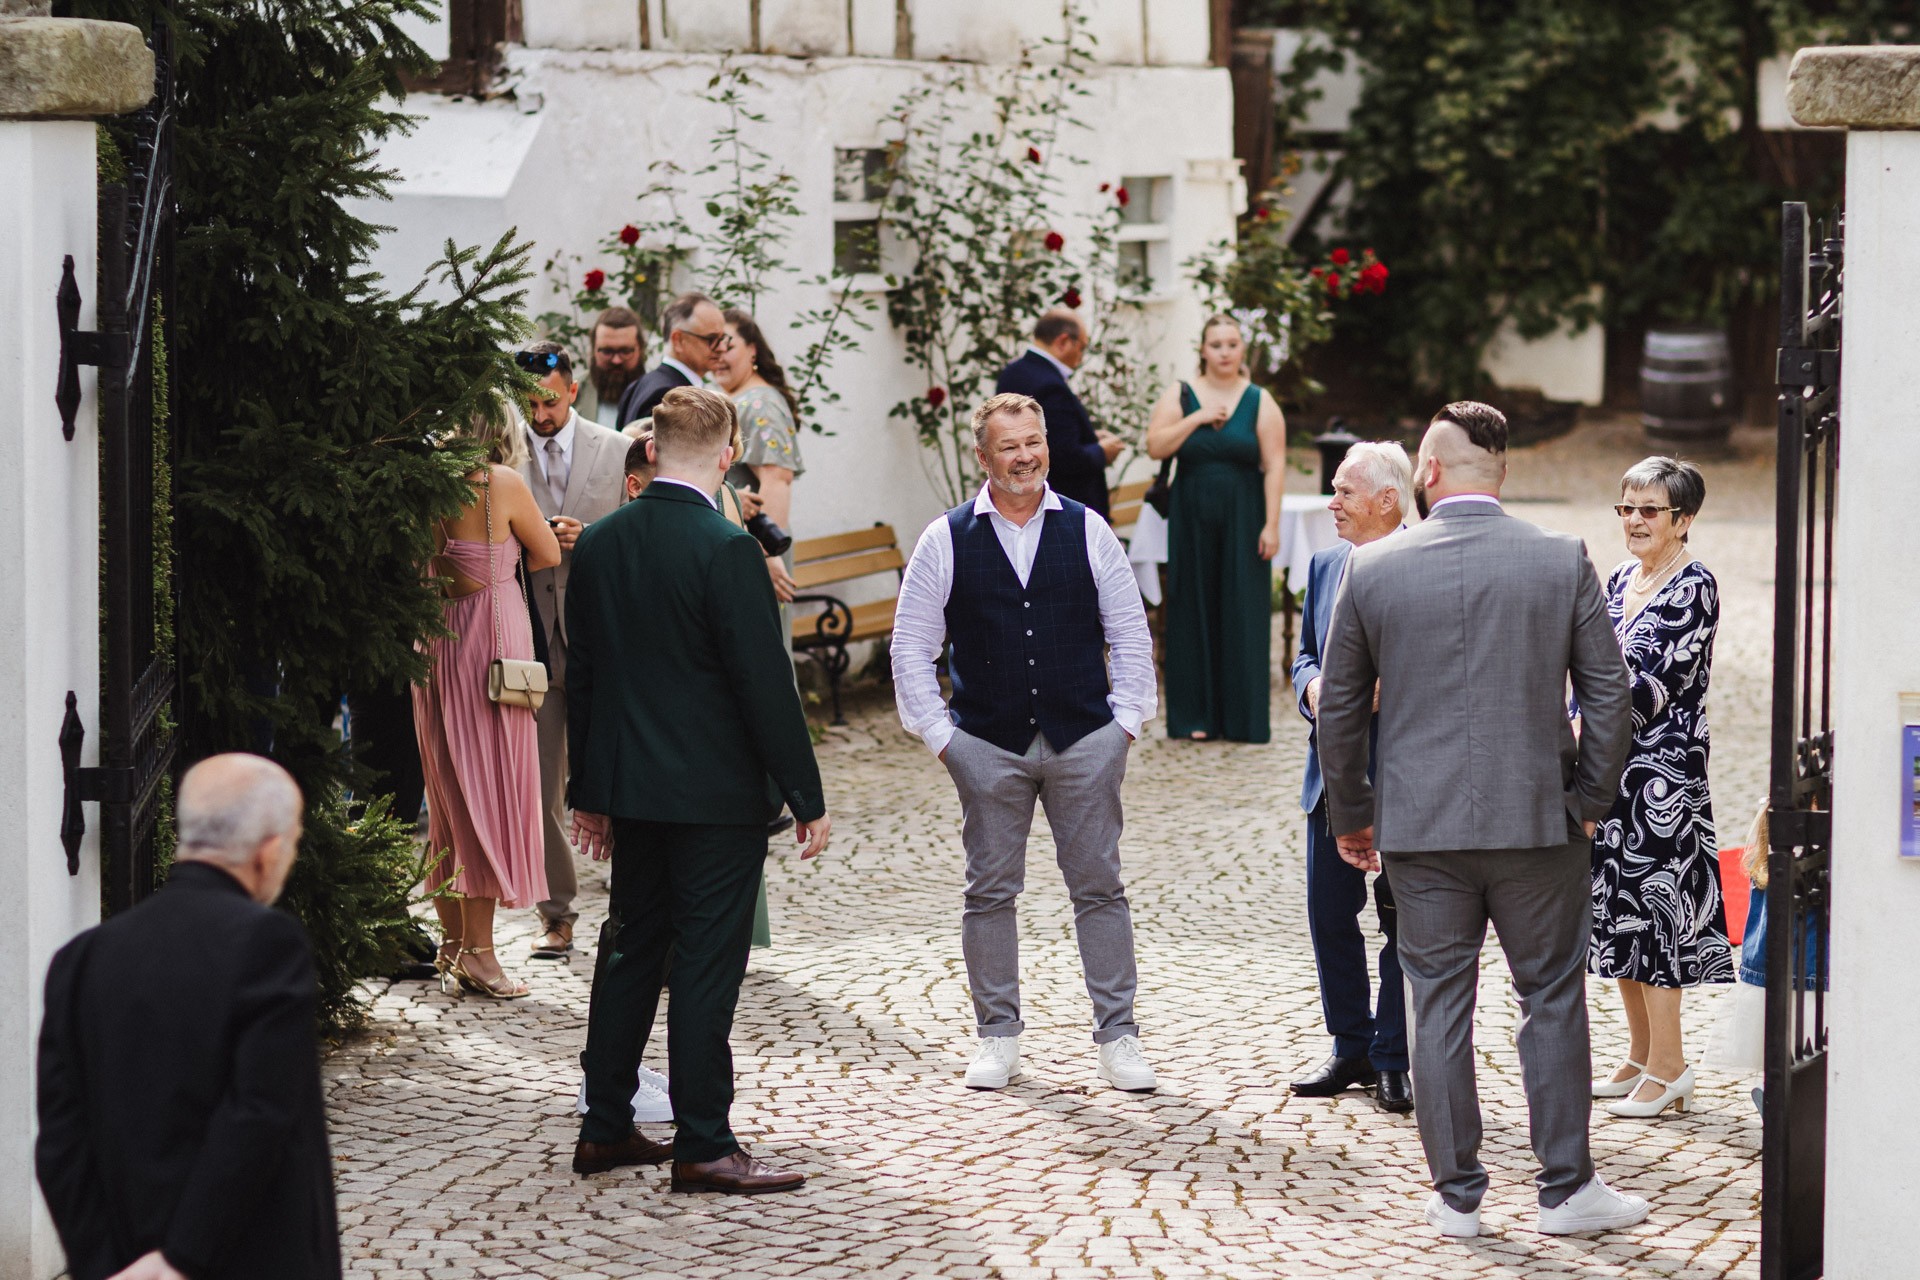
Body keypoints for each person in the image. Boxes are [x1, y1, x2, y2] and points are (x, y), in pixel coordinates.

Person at [1316, 401, 1646, 1239]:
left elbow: (1341, 709)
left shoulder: (1374, 568)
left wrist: (1354, 816)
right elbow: (1610, 696)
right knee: (1552, 998)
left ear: (1426, 473)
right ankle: (1567, 1190)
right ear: (1502, 473)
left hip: (1422, 832)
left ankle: (1456, 1195)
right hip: (1541, 824)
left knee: (1438, 1004)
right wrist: (1590, 804)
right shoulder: (1559, 558)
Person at [566, 386, 832, 1192]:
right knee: (709, 965)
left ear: (648, 450)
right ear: (725, 456)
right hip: (715, 798)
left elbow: (586, 677)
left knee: (631, 950)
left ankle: (604, 1125)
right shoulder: (727, 550)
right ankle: (704, 1143)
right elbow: (764, 686)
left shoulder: (602, 544)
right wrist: (806, 795)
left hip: (632, 791)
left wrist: (590, 791)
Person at [891, 392, 1160, 1093]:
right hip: (987, 743)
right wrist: (946, 741)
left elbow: (1129, 633)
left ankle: (1119, 1036)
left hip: (1084, 738)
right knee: (989, 892)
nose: (1026, 455)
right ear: (983, 458)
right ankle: (998, 1036)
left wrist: (1124, 725)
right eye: (1009, 446)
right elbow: (911, 648)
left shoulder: (1088, 529)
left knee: (1100, 887)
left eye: (1034, 441)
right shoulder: (945, 538)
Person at [36, 754, 339, 1280]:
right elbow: (258, 1110)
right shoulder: (267, 943)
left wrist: (105, 1266)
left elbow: (61, 1134)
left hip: (121, 1260)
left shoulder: (82, 958)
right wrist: (181, 1258)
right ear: (270, 852)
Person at [1585, 456, 1733, 1117]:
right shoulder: (1621, 579)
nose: (1636, 520)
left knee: (1656, 918)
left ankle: (1672, 1068)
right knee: (1617, 915)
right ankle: (1642, 1053)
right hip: (1611, 774)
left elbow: (1649, 686)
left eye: (1650, 510)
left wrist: (1576, 718)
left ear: (1684, 519)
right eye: (1627, 508)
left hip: (1661, 782)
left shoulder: (1693, 586)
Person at [414, 404, 562, 999]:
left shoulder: (424, 487)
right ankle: (480, 954)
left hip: (435, 644)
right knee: (487, 796)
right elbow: (547, 552)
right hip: (491, 650)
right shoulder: (501, 482)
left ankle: (452, 945)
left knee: (448, 796)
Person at [1288, 441, 1414, 1114]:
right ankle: (1350, 1045)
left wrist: (1395, 686)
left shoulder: (1425, 561)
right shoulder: (1325, 562)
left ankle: (1395, 1057)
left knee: (1404, 920)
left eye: (1343, 492)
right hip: (1329, 777)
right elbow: (1305, 655)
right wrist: (1312, 690)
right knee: (1330, 916)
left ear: (1386, 500)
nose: (1330, 503)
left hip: (1404, 773)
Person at [514, 341, 633, 960]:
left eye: (549, 401)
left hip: (602, 640)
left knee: (617, 775)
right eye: (529, 403)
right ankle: (556, 914)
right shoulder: (505, 453)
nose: (539, 414)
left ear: (573, 389)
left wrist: (587, 539)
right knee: (539, 786)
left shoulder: (616, 451)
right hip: (531, 639)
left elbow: (635, 540)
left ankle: (634, 910)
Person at [1146, 315, 1287, 743]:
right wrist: (1198, 418)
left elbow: (1275, 463)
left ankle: (1241, 719)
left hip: (1244, 516)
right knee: (1191, 609)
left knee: (1242, 610)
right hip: (1191, 518)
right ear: (1203, 350)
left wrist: (1272, 524)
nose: (1225, 352)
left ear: (1242, 349)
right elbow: (1155, 445)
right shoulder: (1181, 394)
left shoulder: (1260, 399)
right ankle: (1194, 716)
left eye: (1232, 344)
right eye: (1216, 344)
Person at [711, 306, 804, 614]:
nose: (719, 355)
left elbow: (778, 480)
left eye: (728, 345)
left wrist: (766, 556)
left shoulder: (759, 404)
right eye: (713, 347)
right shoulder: (736, 400)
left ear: (752, 350)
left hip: (758, 552)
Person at [995, 309, 1123, 518]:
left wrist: (1088, 438)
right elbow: (1064, 456)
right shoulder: (1051, 386)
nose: (1081, 358)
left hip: (1020, 498)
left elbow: (1051, 435)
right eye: (1082, 347)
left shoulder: (1011, 373)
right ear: (1063, 341)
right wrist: (1102, 451)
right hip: (1061, 506)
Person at [613, 292, 729, 428]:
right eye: (711, 339)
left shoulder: (639, 385)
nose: (722, 347)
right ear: (678, 340)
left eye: (722, 338)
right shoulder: (671, 396)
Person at [585, 306, 646, 428]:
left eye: (625, 351)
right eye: (607, 351)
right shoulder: (569, 397)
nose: (616, 360)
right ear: (593, 350)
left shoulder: (660, 399)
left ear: (640, 350)